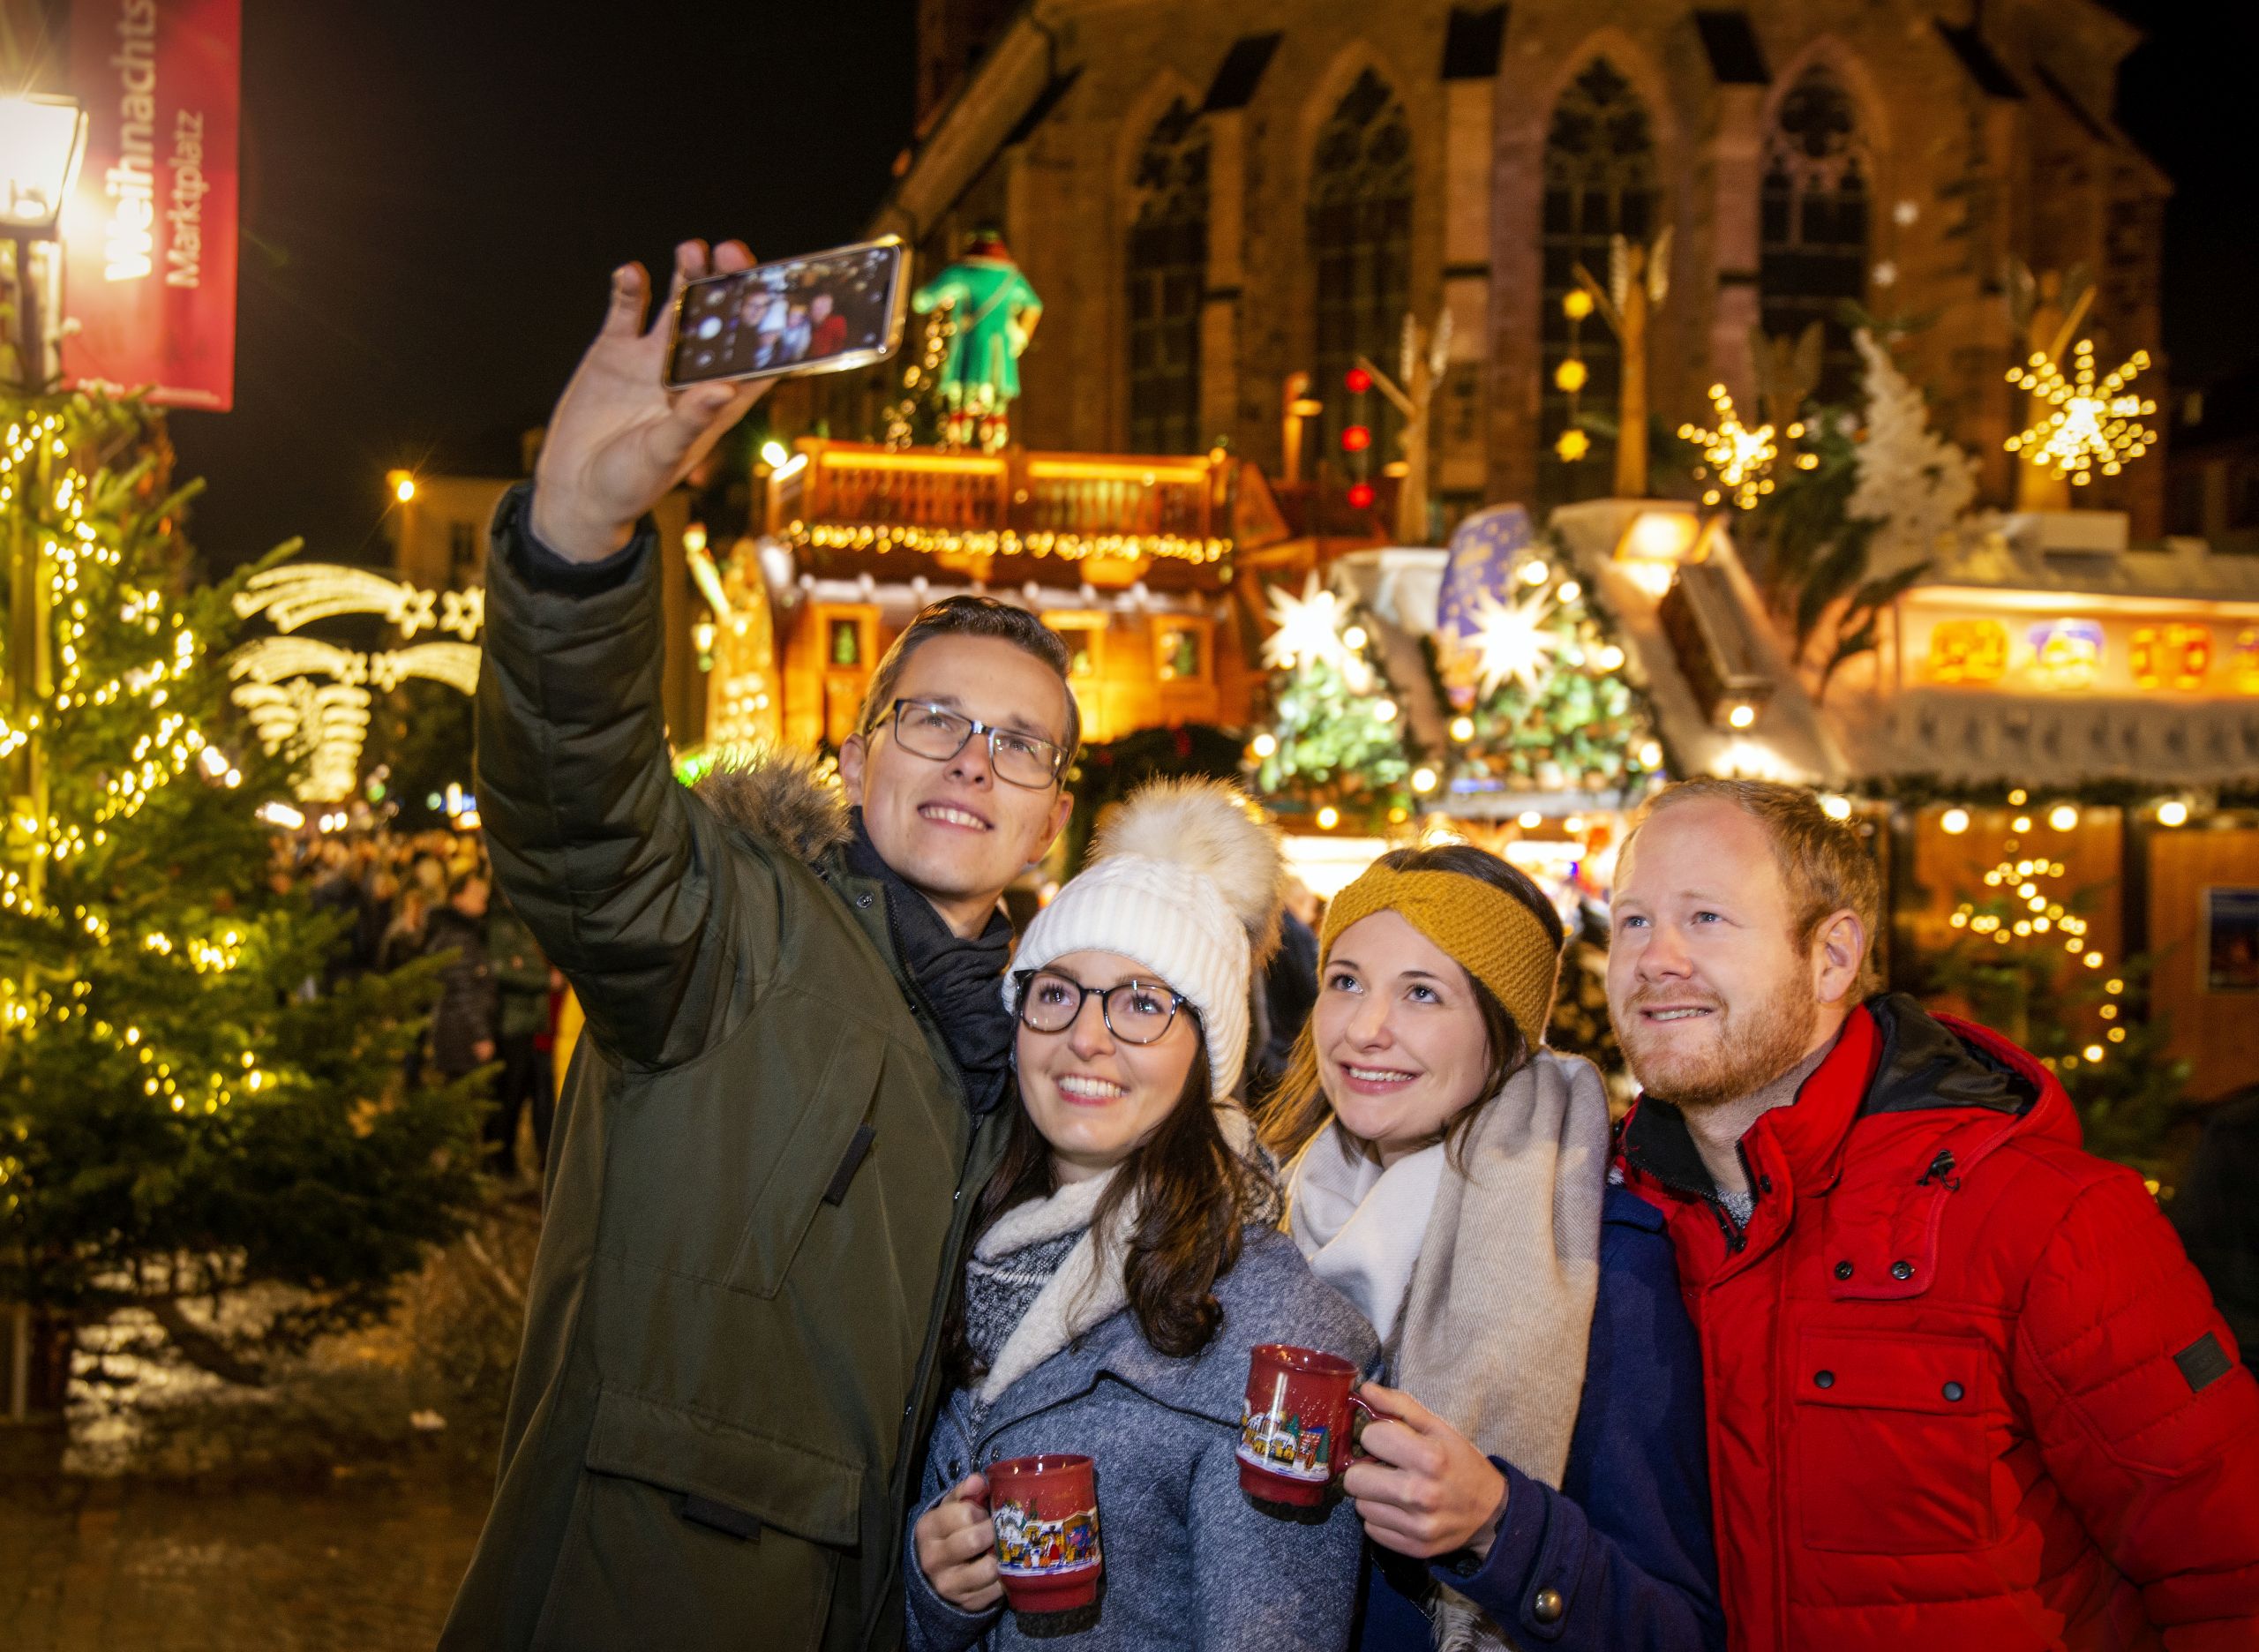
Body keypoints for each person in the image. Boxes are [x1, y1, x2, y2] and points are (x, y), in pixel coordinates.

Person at [439, 240, 1079, 1652]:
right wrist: (576, 539)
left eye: (1019, 741)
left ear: (1050, 816)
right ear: (857, 759)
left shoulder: (1047, 1050)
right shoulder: (732, 929)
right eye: (934, 720)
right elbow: (581, 819)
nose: (973, 758)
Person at [1608, 778, 2259, 1651]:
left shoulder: (2045, 1220)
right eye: (1631, 922)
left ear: (1832, 956)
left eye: (1705, 919)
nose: (1654, 958)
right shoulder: (1600, 1214)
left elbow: (2229, 1574)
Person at [906, 780, 1376, 1651]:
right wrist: (936, 1591)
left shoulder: (1277, 1336)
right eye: (1057, 993)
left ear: (1208, 1054)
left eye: (1141, 1002)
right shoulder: (970, 1246)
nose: (1087, 1036)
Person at [1265, 845, 1722, 1651]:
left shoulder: (1604, 1263)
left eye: (1422, 994)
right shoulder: (1264, 1215)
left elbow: (1679, 1630)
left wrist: (1501, 1528)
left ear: (1505, 1034)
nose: (1366, 1030)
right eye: (1346, 981)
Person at [482, 883, 555, 1176]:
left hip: (530, 1022)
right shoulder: (499, 926)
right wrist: (541, 981)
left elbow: (531, 966)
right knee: (507, 1095)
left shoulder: (522, 922)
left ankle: (504, 1156)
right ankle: (497, 1158)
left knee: (521, 1092)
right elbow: (501, 971)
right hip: (512, 1024)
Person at [423, 872, 499, 1082]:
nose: (482, 894)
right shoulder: (458, 938)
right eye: (474, 891)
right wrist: (480, 1035)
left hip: (458, 1034)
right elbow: (462, 992)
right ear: (457, 899)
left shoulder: (466, 933)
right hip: (460, 1038)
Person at [807, 290, 850, 360]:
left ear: (831, 309)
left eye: (826, 307)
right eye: (817, 308)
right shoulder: (803, 324)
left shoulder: (837, 322)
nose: (821, 311)